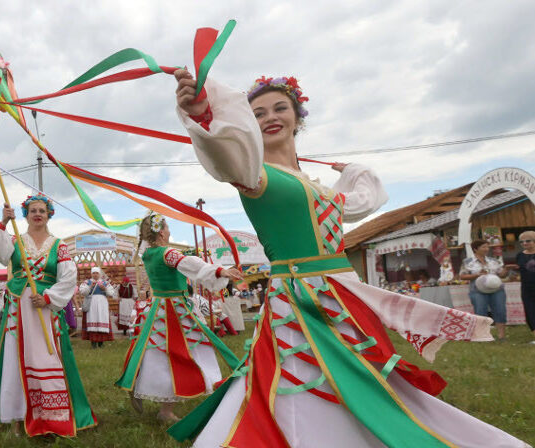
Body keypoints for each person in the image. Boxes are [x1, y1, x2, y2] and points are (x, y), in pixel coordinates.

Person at [169, 71, 529, 447]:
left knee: (364, 375)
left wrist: (356, 172)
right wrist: (202, 116)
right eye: (257, 114)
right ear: (247, 125)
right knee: (299, 377)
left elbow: (363, 200)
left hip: (343, 296)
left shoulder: (314, 184)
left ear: (298, 117)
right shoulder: (255, 174)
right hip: (298, 303)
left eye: (280, 108)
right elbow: (225, 154)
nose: (270, 117)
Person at [0, 194, 96, 436]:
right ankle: (17, 417)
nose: (37, 214)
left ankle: (51, 416)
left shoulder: (59, 245)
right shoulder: (15, 239)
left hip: (45, 309)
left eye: (42, 211)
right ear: (25, 214)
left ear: (49, 214)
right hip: (19, 309)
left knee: (48, 357)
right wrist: (3, 221)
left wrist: (47, 298)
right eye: (33, 210)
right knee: (16, 357)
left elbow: (68, 278)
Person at [116, 213, 243, 423]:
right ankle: (166, 410)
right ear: (162, 231)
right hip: (175, 309)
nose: (169, 230)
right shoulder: (168, 253)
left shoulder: (148, 253)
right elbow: (192, 266)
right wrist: (221, 271)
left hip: (157, 306)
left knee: (154, 353)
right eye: (167, 227)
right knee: (181, 352)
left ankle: (138, 385)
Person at [459, 240, 510, 341]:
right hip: (478, 290)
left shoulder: (493, 261)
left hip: (496, 289)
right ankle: (483, 336)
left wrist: (506, 269)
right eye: (483, 247)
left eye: (487, 247)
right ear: (475, 249)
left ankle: (501, 336)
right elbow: (462, 276)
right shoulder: (467, 262)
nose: (487, 249)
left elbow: (501, 275)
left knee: (500, 311)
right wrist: (477, 275)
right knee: (481, 312)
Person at [507, 230, 535, 344]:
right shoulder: (520, 255)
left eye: (528, 241)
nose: (524, 243)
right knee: (530, 311)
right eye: (521, 242)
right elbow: (521, 270)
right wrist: (513, 271)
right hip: (527, 287)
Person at [78, 267, 115, 348]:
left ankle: (101, 343)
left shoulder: (105, 283)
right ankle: (93, 343)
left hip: (102, 304)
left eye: (97, 273)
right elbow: (82, 292)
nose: (95, 274)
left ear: (99, 274)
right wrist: (90, 287)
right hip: (91, 304)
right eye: (93, 273)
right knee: (92, 319)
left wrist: (104, 289)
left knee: (101, 319)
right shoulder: (87, 282)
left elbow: (112, 293)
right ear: (91, 274)